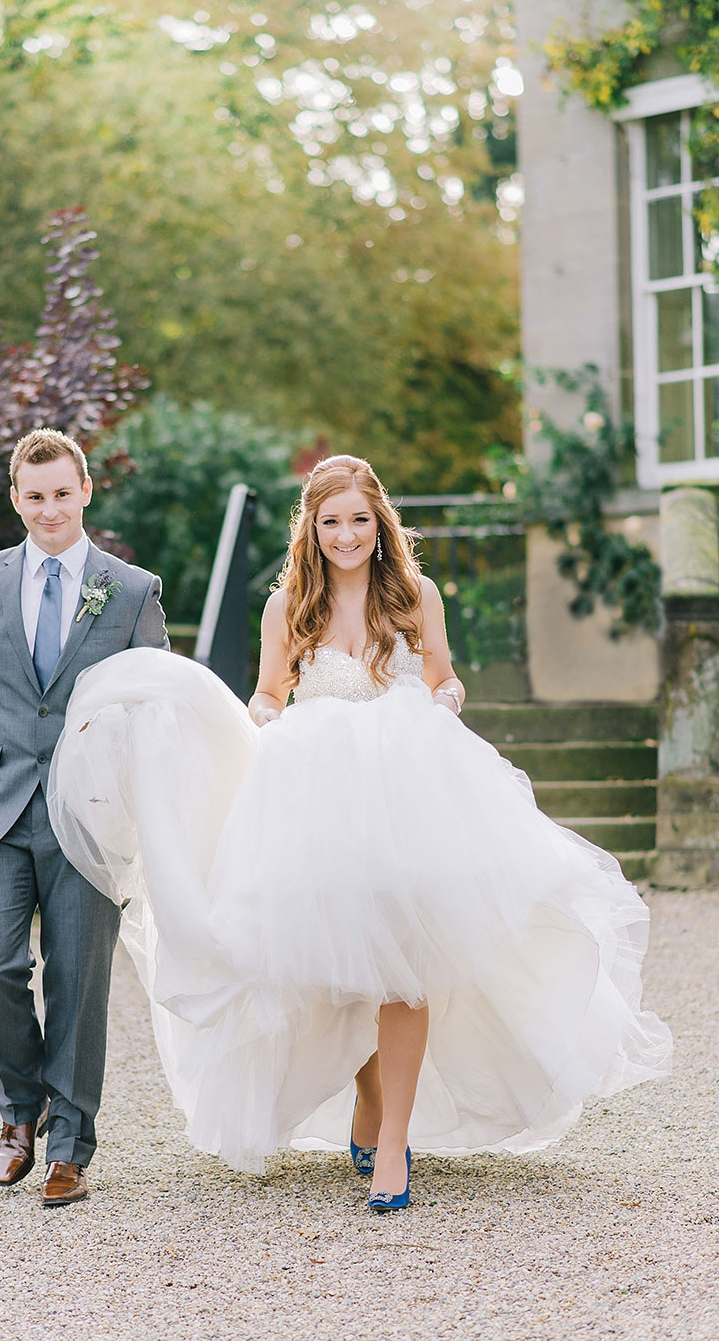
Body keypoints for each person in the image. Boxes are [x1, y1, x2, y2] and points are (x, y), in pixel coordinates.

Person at [48, 454, 671, 1211]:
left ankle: (394, 1147)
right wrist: (268, 720)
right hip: (319, 801)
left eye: (359, 519)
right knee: (342, 972)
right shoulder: (290, 606)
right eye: (331, 521)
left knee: (406, 968)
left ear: (382, 524)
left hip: (409, 797)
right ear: (312, 529)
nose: (346, 534)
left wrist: (444, 698)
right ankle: (370, 1099)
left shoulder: (416, 594)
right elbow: (270, 692)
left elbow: (442, 676)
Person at [0, 427, 168, 1208]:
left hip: (88, 816)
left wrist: (155, 815)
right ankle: (20, 1113)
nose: (49, 509)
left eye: (63, 493)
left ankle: (70, 1146)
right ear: (15, 499)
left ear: (85, 492)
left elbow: (155, 715)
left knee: (78, 980)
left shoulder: (131, 591)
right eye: (34, 496)